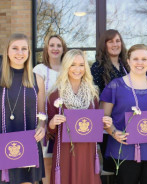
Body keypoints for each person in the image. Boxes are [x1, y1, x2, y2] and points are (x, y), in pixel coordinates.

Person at [0, 33, 46, 183]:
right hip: (2, 145)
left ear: (29, 52)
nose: (19, 53)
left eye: (24, 48)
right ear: (7, 51)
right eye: (15, 48)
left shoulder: (37, 79)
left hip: (29, 144)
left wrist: (42, 127)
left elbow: (42, 113)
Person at [100, 44, 147, 184]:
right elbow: (103, 117)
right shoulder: (115, 86)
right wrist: (114, 132)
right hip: (124, 149)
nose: (140, 63)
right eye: (136, 59)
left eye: (144, 59)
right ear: (128, 60)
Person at [47, 49, 112, 184]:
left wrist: (104, 122)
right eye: (73, 64)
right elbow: (50, 132)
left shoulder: (92, 93)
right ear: (66, 67)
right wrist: (52, 123)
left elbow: (94, 125)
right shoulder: (55, 95)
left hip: (87, 150)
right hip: (65, 151)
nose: (78, 69)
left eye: (81, 65)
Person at [91, 29, 129, 178]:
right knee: (112, 168)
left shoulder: (127, 65)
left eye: (118, 41)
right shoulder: (97, 67)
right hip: (108, 125)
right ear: (104, 45)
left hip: (127, 121)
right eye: (111, 41)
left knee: (127, 167)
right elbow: (96, 97)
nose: (115, 44)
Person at [33, 34, 67, 184]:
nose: (55, 48)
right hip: (45, 122)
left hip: (66, 122)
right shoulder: (39, 69)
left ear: (63, 49)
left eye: (59, 45)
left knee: (63, 161)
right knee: (47, 162)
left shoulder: (69, 68)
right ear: (46, 48)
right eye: (52, 45)